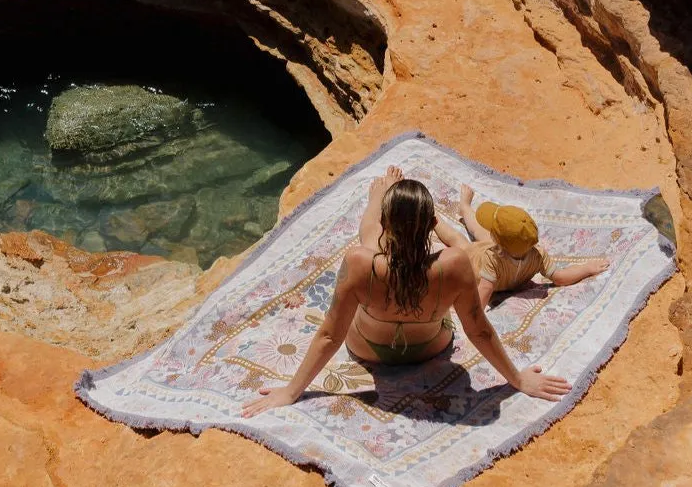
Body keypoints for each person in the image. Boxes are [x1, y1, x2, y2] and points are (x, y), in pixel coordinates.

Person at [241, 168, 571, 418]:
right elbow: (478, 329)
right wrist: (517, 380)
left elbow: (329, 335)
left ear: (386, 223)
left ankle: (375, 198)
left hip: (369, 350)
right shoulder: (455, 263)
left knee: (369, 245)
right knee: (387, 251)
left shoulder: (359, 262)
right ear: (431, 226)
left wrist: (291, 392)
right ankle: (399, 210)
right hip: (430, 348)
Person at [434, 185, 610, 309]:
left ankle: (433, 213)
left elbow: (484, 291)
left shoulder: (491, 258)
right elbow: (561, 278)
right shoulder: (537, 254)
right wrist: (587, 268)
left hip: (474, 260)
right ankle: (464, 208)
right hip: (505, 255)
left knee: (458, 239)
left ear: (497, 240)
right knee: (480, 232)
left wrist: (473, 315)